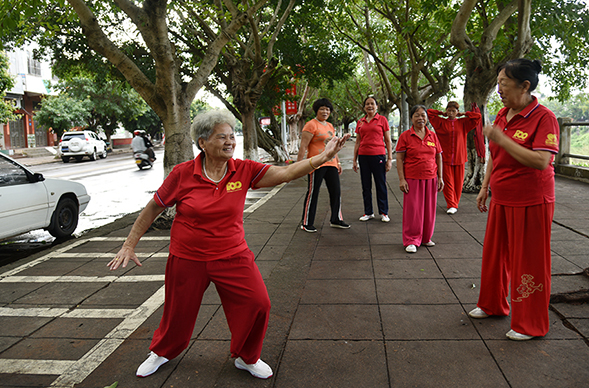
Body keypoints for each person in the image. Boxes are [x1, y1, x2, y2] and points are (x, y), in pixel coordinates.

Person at [107, 109, 350, 378]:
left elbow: (286, 173)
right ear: (202, 142)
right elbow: (153, 208)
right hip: (188, 257)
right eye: (221, 137)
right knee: (178, 312)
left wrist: (324, 157)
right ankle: (162, 351)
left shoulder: (243, 170)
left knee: (259, 303)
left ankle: (246, 357)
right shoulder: (182, 174)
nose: (230, 142)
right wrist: (129, 244)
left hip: (232, 254)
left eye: (232, 136)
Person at [469, 59, 559, 341]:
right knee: (495, 255)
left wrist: (502, 139)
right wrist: (485, 185)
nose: (499, 89)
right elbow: (495, 155)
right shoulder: (502, 114)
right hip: (502, 195)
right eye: (498, 83)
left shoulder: (544, 118)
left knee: (529, 261)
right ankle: (492, 304)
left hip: (532, 198)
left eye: (504, 84)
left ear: (525, 86)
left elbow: (541, 161)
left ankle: (529, 324)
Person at [395, 105, 444, 253]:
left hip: (431, 178)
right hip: (412, 178)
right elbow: (399, 158)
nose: (420, 118)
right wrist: (402, 179)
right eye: (417, 115)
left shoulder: (432, 135)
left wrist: (440, 177)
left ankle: (425, 238)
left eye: (423, 115)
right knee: (414, 210)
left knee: (429, 210)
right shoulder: (405, 136)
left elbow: (439, 156)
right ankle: (411, 240)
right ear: (411, 118)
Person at [297, 98, 350, 232]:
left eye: (327, 109)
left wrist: (338, 162)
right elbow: (303, 146)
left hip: (331, 163)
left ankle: (336, 219)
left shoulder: (330, 126)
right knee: (313, 192)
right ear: (316, 110)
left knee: (336, 191)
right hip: (315, 163)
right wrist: (298, 166)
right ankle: (306, 222)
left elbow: (333, 147)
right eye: (322, 109)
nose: (325, 111)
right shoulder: (311, 125)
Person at [427, 101, 483, 214]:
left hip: (459, 157)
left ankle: (455, 203)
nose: (451, 113)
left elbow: (478, 117)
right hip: (445, 157)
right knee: (448, 182)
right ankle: (451, 204)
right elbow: (429, 112)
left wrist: (464, 113)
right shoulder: (440, 122)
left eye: (453, 111)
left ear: (457, 112)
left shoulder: (463, 123)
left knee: (458, 182)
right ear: (446, 111)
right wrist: (441, 113)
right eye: (449, 110)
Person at [352, 96, 393, 223]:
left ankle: (384, 212)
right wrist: (354, 160)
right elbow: (358, 142)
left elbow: (388, 140)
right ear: (364, 107)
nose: (370, 106)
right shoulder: (361, 122)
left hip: (378, 156)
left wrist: (390, 159)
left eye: (372, 104)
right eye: (367, 104)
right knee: (366, 185)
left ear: (377, 106)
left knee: (380, 184)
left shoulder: (382, 120)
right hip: (363, 156)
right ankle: (368, 212)